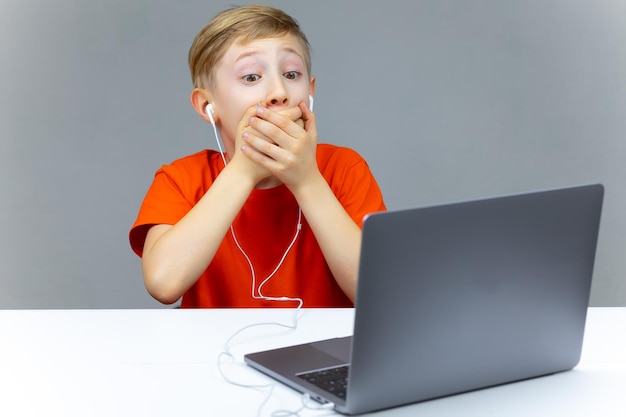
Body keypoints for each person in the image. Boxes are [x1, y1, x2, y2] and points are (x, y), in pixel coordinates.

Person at [129, 4, 386, 308]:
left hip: (326, 353)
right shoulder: (181, 180)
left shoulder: (345, 169)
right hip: (213, 353)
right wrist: (243, 172)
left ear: (311, 92)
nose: (279, 91)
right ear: (207, 107)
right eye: (251, 77)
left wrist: (306, 181)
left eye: (291, 74)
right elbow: (163, 282)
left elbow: (378, 294)